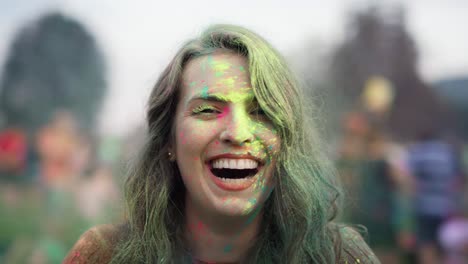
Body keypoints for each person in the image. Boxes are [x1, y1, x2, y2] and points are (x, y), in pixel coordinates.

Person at [64, 24, 379, 263]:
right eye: (207, 110)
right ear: (168, 141)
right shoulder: (104, 256)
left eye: (260, 112)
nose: (238, 132)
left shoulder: (337, 256)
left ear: (286, 140)